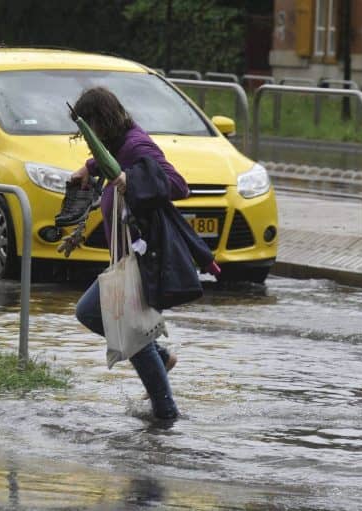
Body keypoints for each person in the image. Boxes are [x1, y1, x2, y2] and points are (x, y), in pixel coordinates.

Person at [71, 86, 218, 420]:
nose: (86, 137)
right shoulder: (120, 144)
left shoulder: (137, 145)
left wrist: (129, 180)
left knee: (105, 320)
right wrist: (89, 167)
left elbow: (176, 184)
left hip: (141, 258)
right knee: (120, 327)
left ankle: (166, 413)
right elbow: (112, 159)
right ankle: (160, 360)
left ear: (101, 121)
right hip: (126, 258)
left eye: (88, 130)